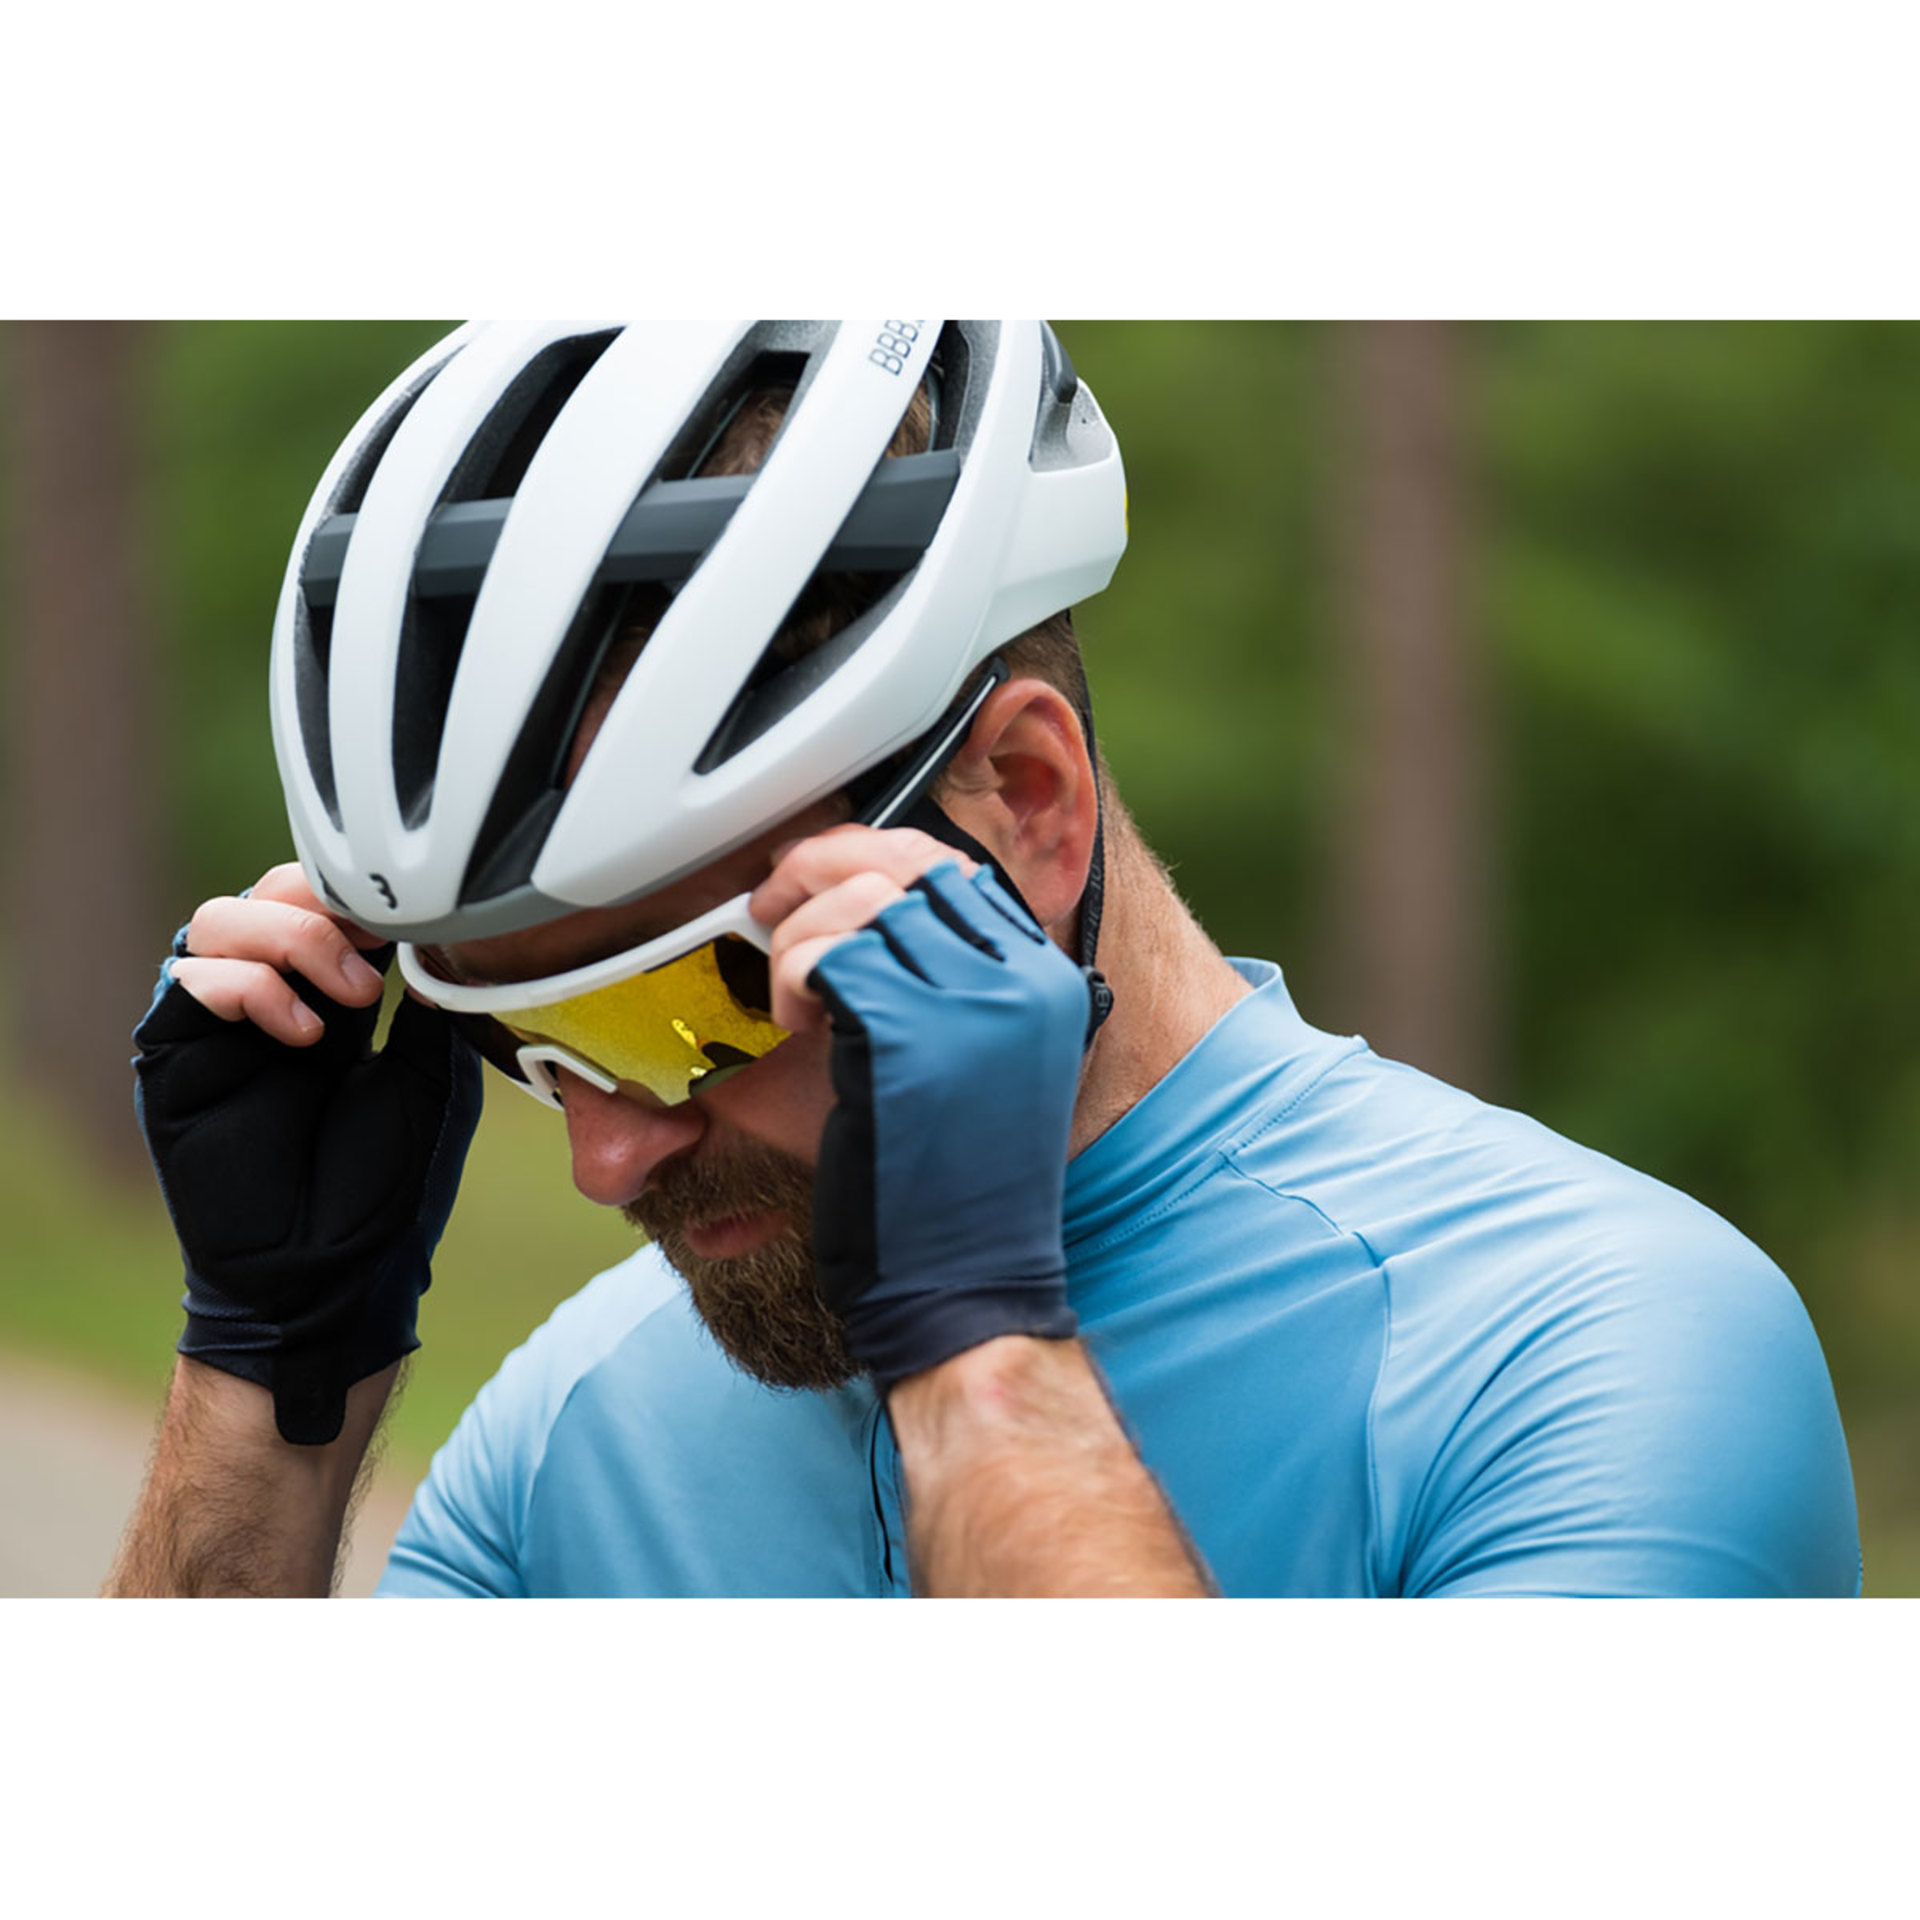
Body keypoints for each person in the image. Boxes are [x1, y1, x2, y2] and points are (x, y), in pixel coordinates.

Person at [110, 320, 1862, 1598]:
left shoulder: (1589, 1356)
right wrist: (269, 1387)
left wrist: (979, 1350)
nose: (604, 1159)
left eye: (678, 1004)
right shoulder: (575, 1428)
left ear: (1025, 805)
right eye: (517, 1040)